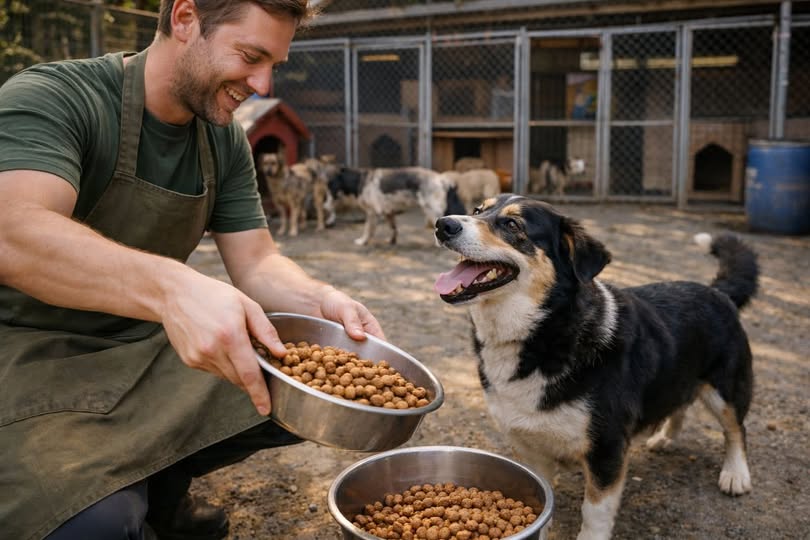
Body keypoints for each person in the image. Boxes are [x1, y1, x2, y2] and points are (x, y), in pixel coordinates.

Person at [0, 1, 384, 539]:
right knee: (97, 526)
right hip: (27, 355)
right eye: (250, 56)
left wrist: (319, 299)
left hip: (144, 350)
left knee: (313, 387)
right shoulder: (54, 97)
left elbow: (257, 260)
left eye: (273, 65)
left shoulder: (223, 137)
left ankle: (163, 490)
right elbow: (12, 233)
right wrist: (172, 288)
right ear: (184, 19)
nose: (263, 84)